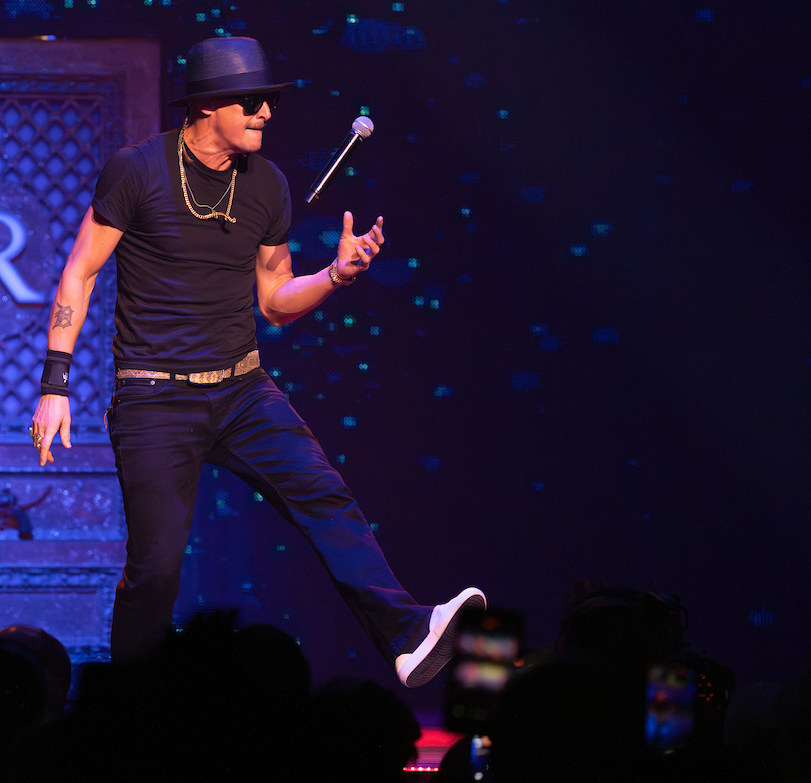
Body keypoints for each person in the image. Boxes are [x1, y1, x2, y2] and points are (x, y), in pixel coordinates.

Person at [30, 36, 484, 687]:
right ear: (207, 105)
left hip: (244, 391)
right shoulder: (136, 170)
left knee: (325, 497)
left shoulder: (267, 184)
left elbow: (274, 300)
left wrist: (335, 274)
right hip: (155, 399)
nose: (266, 113)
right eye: (251, 102)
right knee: (155, 570)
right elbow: (80, 273)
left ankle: (408, 635)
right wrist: (56, 385)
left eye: (268, 101)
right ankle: (129, 707)